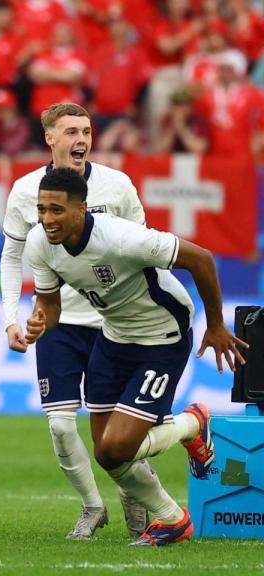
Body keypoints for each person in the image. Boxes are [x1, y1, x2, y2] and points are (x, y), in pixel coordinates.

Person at [24, 167, 247, 547]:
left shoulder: (121, 238)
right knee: (107, 455)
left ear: (82, 209)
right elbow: (50, 305)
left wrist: (215, 325)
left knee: (117, 447)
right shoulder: (39, 242)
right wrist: (39, 322)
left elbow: (202, 259)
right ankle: (174, 521)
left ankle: (193, 424)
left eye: (57, 210)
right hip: (113, 337)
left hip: (162, 336)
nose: (47, 219)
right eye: (42, 209)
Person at [0, 102, 151, 540]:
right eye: (70, 131)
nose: (81, 139)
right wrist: (12, 316)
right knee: (62, 425)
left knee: (117, 433)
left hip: (115, 321)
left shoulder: (117, 186)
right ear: (49, 138)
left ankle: (132, 491)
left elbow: (143, 249)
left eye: (86, 131)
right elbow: (12, 256)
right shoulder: (26, 191)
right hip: (56, 320)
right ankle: (91, 506)